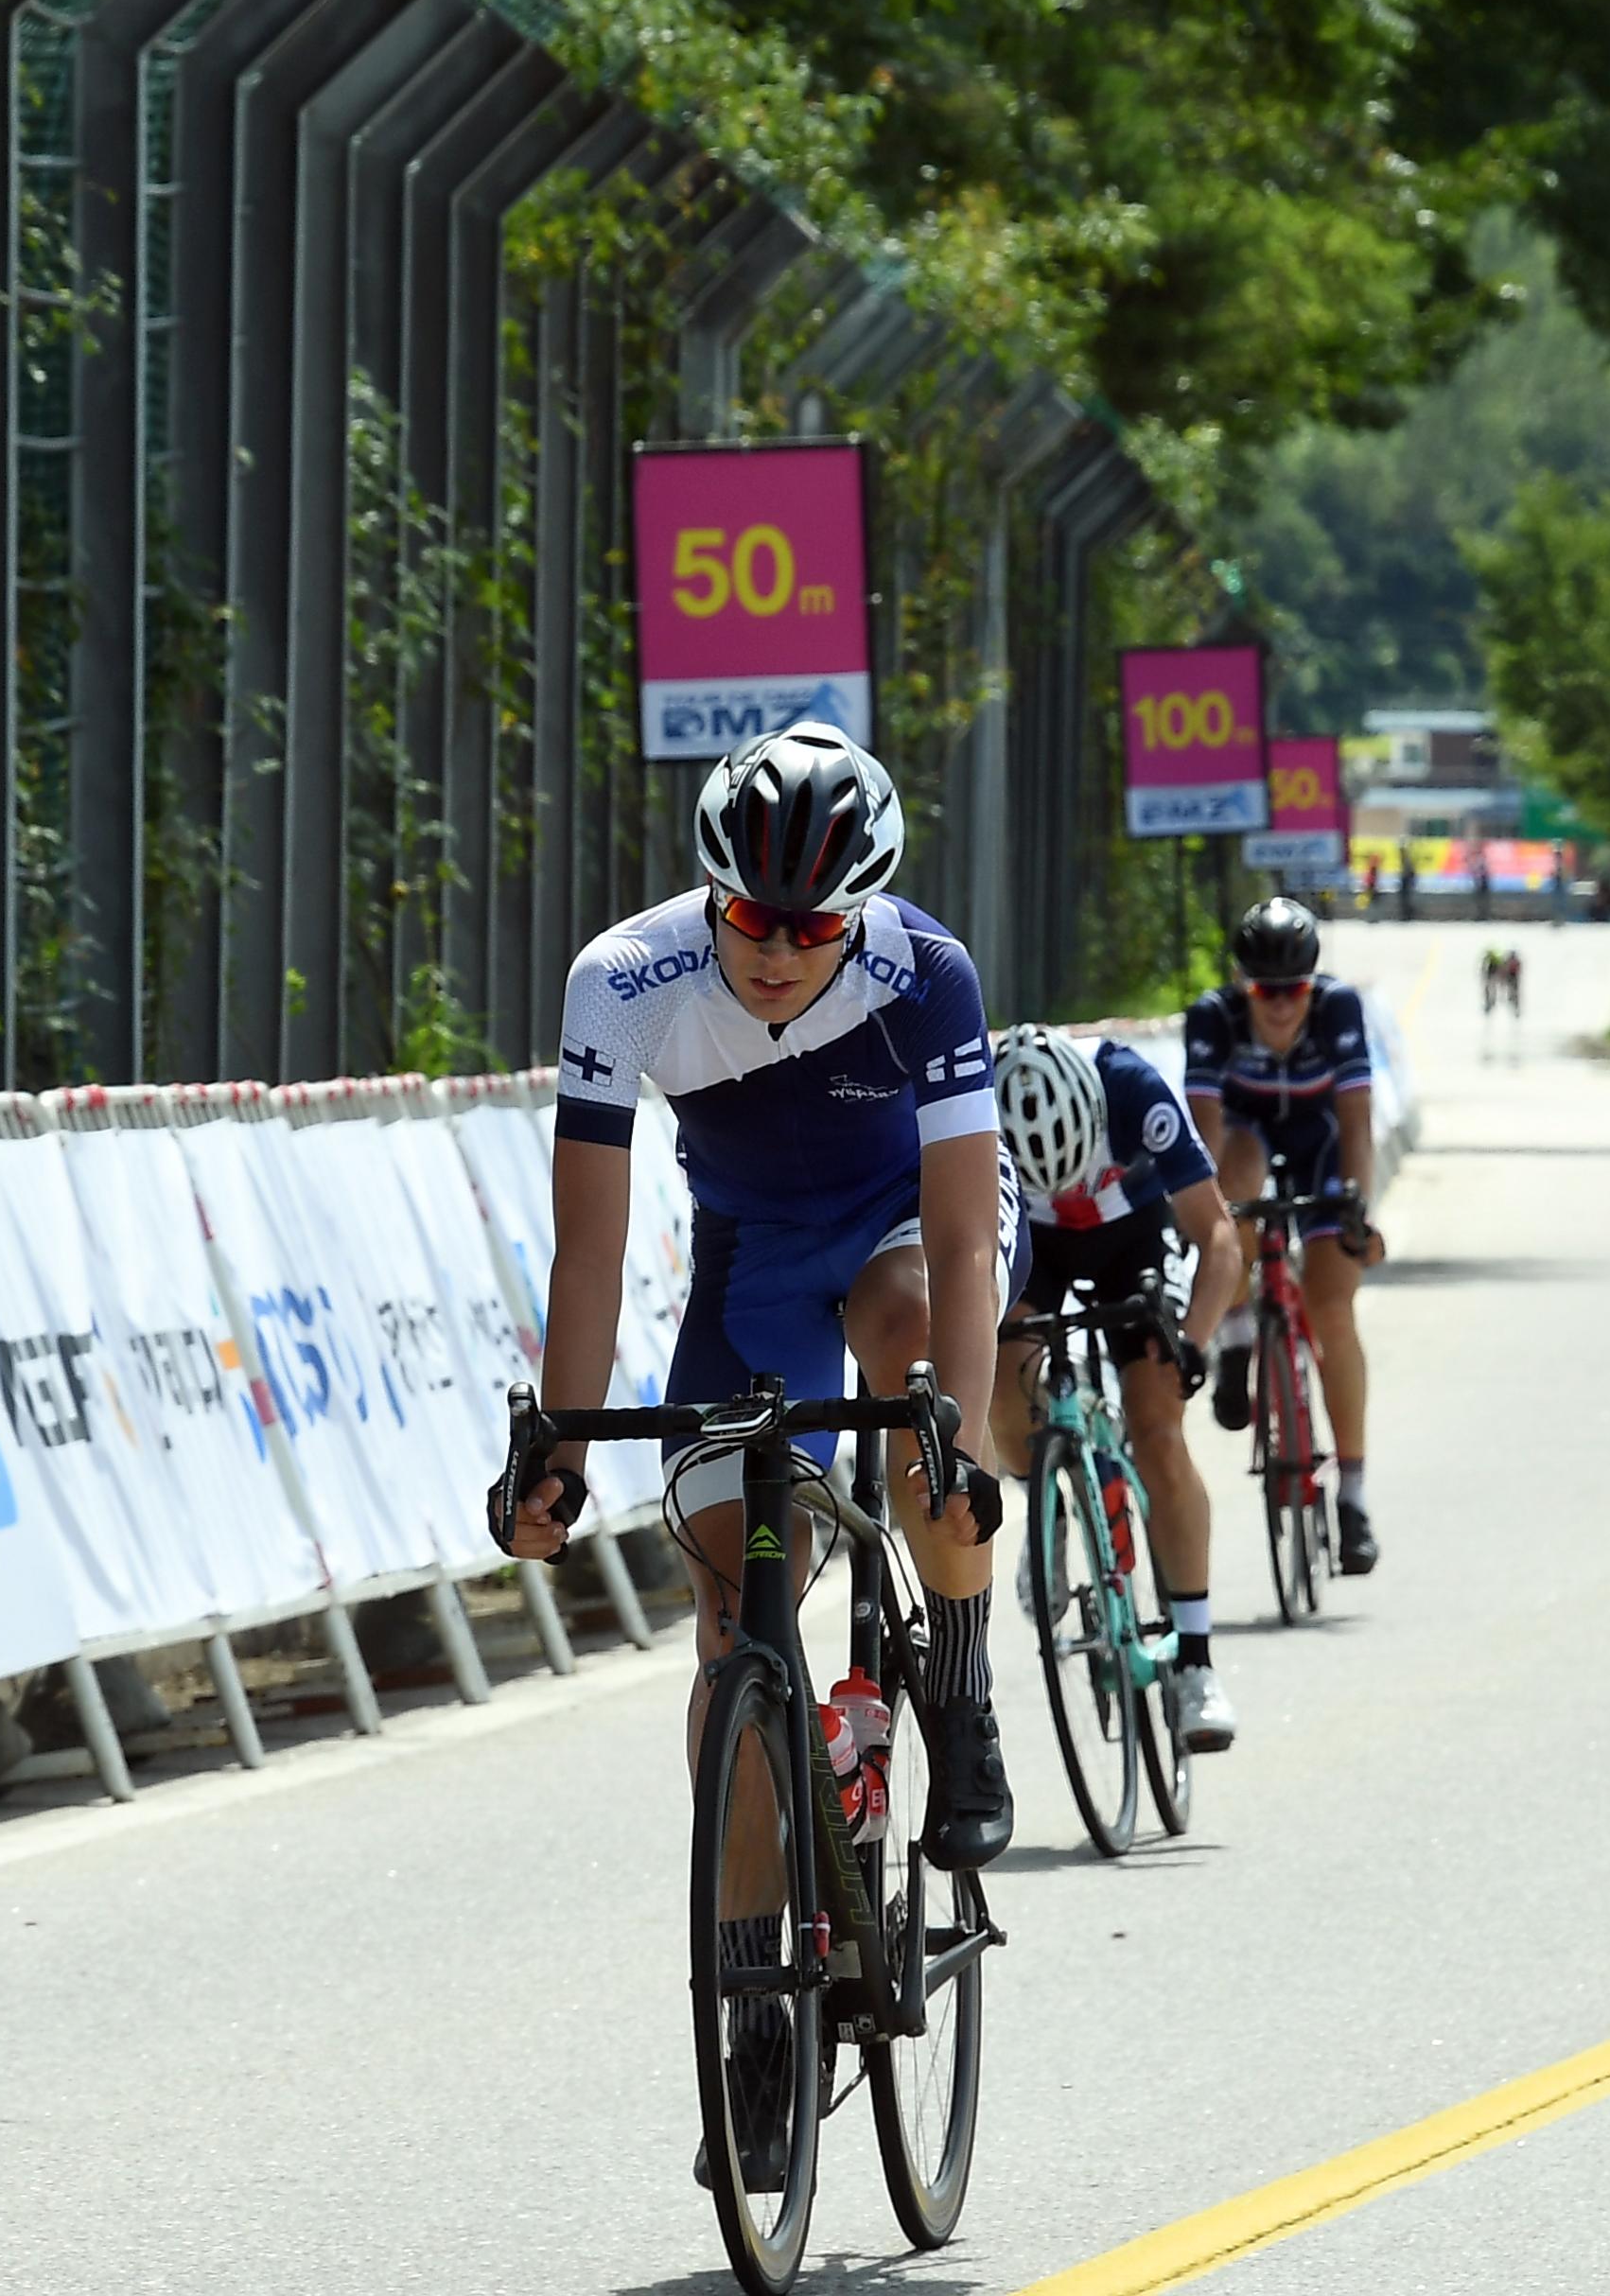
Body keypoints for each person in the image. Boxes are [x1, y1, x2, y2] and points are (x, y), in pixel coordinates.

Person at [496, 722, 1022, 1876]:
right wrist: (560, 1455)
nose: (781, 951)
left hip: (908, 1225)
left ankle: (965, 1686)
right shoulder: (621, 980)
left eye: (820, 925)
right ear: (709, 891)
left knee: (912, 1353)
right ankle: (748, 1972)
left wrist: (964, 1449)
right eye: (751, 917)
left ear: (863, 911)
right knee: (732, 1622)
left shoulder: (928, 972)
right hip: (758, 1253)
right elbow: (589, 1250)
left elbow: (965, 1239)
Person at [987, 1025, 1247, 1750]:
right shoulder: (974, 1099)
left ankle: (1195, 1659)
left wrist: (1194, 1341)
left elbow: (1219, 1239)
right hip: (1033, 1248)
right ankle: (1047, 1498)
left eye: (1074, 1168)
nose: (1069, 1187)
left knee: (1159, 1425)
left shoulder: (1133, 1090)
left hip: (1132, 1236)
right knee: (1004, 1375)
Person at [1182, 896, 1388, 1574]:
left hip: (1321, 1145)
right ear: (1245, 985)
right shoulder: (1213, 1019)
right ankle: (1240, 1335)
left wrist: (1357, 1211)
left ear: (1312, 985)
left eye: (1292, 990)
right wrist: (1209, 1221)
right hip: (1247, 1139)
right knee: (1232, 1180)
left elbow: (1357, 1122)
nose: (1278, 1005)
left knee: (1332, 1304)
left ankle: (1353, 1496)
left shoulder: (1338, 1011)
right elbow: (1205, 1136)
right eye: (1264, 991)